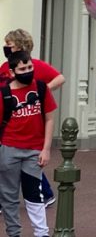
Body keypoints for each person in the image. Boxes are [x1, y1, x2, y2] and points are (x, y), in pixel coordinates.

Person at [2, 29, 64, 208]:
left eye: (10, 45)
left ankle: (43, 193)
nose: (6, 48)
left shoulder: (34, 65)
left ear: (20, 46)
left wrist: (41, 92)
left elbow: (60, 78)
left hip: (28, 118)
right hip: (8, 118)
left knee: (24, 159)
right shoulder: (6, 66)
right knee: (15, 161)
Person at [0, 50, 57, 237]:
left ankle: (41, 233)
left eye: (30, 67)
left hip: (34, 150)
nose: (27, 71)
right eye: (22, 68)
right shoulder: (4, 94)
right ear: (11, 72)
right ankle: (14, 233)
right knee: (9, 196)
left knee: (34, 193)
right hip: (9, 148)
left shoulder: (41, 88)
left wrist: (46, 149)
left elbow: (49, 118)